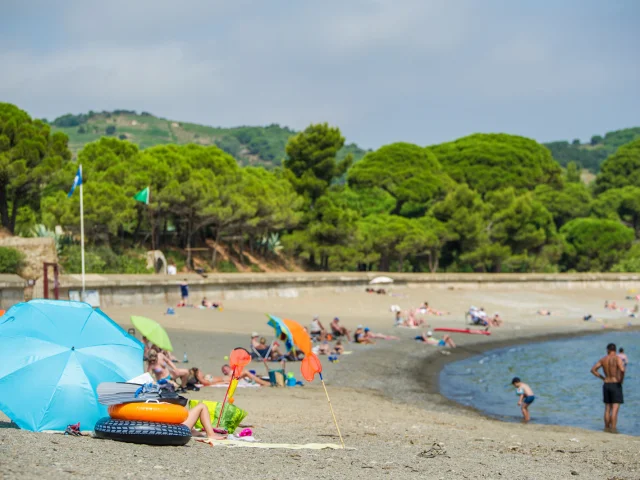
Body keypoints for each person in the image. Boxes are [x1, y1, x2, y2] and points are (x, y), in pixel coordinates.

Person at [591, 343, 626, 433]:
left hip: (606, 384)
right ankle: (613, 429)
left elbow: (593, 370)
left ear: (608, 350)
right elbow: (622, 369)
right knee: (615, 408)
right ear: (615, 350)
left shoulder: (603, 359)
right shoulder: (618, 358)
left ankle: (606, 428)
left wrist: (603, 378)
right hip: (615, 383)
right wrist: (621, 379)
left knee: (607, 408)